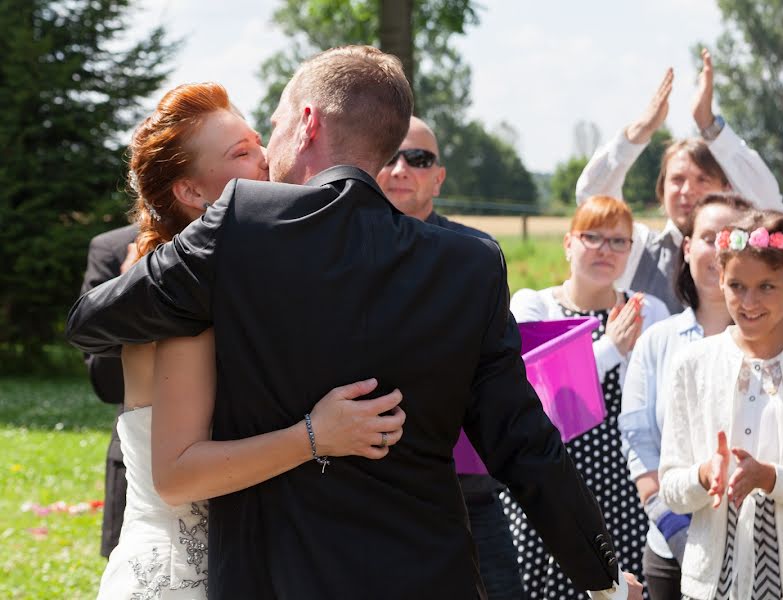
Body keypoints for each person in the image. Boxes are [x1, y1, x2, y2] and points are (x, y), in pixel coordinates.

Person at [67, 46, 642, 600]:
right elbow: (524, 442)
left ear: (308, 122)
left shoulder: (242, 226)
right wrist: (603, 577)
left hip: (273, 579)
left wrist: (176, 264)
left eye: (276, 121)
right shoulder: (470, 263)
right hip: (426, 575)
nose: (267, 148)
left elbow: (93, 322)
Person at [94, 81, 406, 599]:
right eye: (241, 153)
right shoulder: (183, 303)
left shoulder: (230, 284)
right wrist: (315, 435)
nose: (265, 159)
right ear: (192, 193)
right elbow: (175, 477)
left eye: (259, 140)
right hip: (182, 579)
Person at [659, 211, 783, 600]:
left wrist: (771, 478)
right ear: (720, 280)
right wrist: (704, 475)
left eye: (767, 286)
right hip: (713, 583)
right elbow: (671, 488)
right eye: (736, 285)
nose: (749, 302)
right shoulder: (693, 363)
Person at [376, 116, 525, 600]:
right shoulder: (337, 250)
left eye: (417, 159)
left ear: (438, 176)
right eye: (389, 157)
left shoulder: (475, 255)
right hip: (370, 490)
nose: (401, 169)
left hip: (469, 488)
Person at [505, 195, 669, 599]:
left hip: (625, 487)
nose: (605, 250)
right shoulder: (535, 305)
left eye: (619, 241)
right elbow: (533, 398)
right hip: (552, 486)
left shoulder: (652, 311)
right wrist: (610, 348)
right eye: (592, 236)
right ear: (568, 243)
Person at [575, 49, 783, 314]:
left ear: (725, 189)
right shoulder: (637, 249)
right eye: (677, 180)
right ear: (661, 191)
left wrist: (709, 126)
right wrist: (640, 131)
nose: (688, 190)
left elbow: (771, 209)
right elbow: (592, 197)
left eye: (702, 179)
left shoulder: (746, 247)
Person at [618, 193, 753, 600]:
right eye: (708, 236)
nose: (718, 249)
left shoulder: (775, 345)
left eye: (732, 237)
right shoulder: (657, 342)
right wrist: (679, 535)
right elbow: (639, 443)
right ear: (687, 246)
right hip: (671, 551)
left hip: (758, 548)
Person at [79, 223, 139, 557]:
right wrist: (128, 291)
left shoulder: (255, 239)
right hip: (139, 462)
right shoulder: (113, 248)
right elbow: (107, 384)